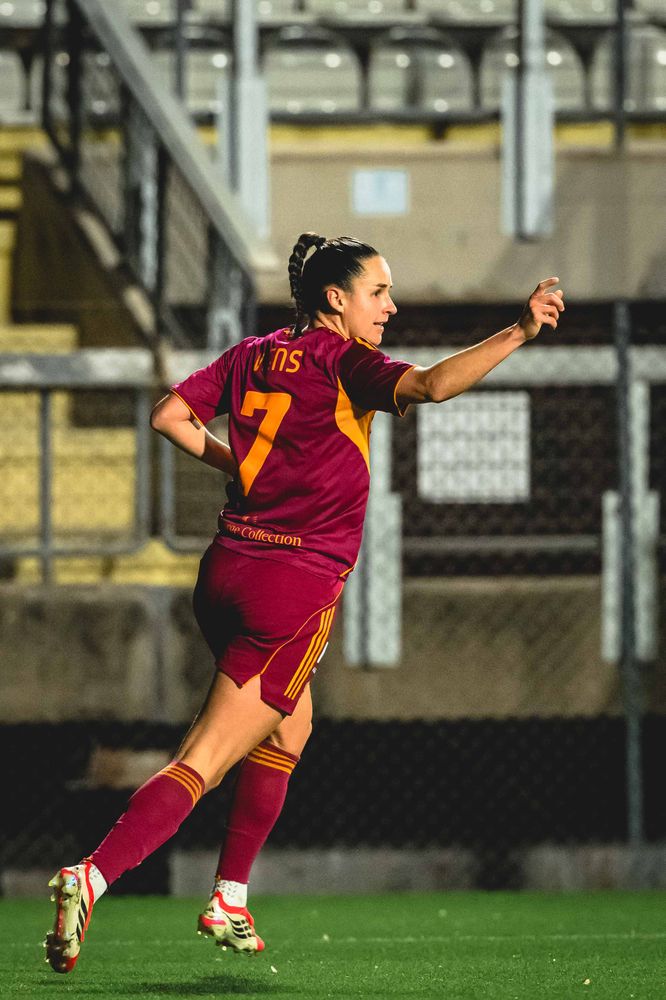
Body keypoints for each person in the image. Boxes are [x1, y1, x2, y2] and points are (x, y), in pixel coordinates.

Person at [45, 233, 564, 973]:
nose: (390, 305)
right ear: (335, 298)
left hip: (225, 572)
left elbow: (168, 416)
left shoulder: (251, 354)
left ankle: (229, 896)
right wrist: (519, 329)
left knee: (291, 728)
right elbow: (432, 386)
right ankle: (91, 876)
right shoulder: (345, 362)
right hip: (291, 586)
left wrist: (240, 464)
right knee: (205, 756)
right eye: (378, 292)